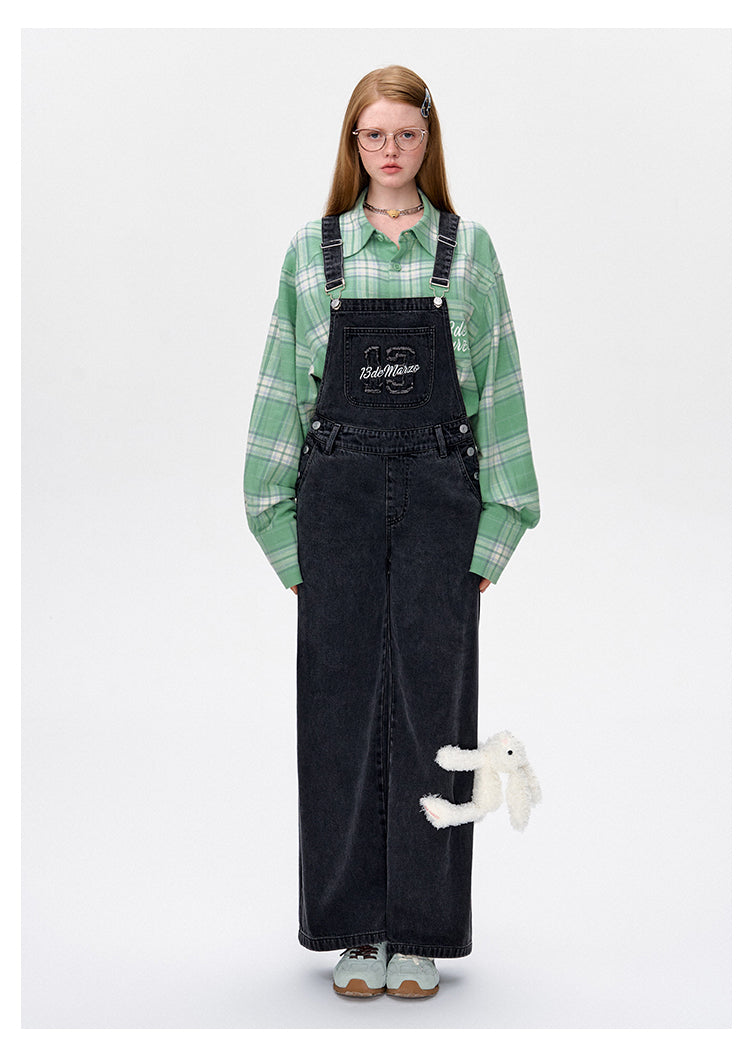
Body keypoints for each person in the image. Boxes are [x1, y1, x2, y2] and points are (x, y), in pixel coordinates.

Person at [243, 65, 540, 999]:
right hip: (334, 503)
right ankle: (350, 931)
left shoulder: (469, 248)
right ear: (353, 143)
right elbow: (282, 388)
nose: (390, 150)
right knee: (336, 713)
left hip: (441, 503)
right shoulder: (314, 251)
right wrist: (279, 530)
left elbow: (499, 384)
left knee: (433, 716)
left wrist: (498, 526)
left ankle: (416, 933)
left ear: (427, 140)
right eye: (373, 135)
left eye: (406, 134)